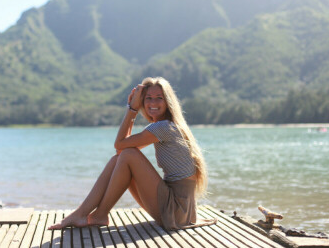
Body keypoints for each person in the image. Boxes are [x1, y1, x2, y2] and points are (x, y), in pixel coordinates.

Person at [48, 77, 215, 230]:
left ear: (168, 101)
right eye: (148, 98)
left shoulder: (163, 127)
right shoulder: (167, 126)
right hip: (179, 209)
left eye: (159, 98)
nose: (153, 102)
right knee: (120, 158)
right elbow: (121, 150)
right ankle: (86, 213)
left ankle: (96, 215)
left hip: (176, 211)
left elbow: (120, 144)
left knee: (127, 155)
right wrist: (133, 110)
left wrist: (132, 109)